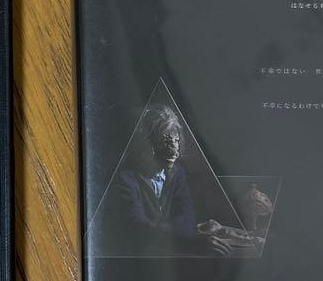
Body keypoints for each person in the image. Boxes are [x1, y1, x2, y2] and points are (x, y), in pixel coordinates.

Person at [108, 105, 265, 257]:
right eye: (165, 141)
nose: (174, 150)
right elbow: (138, 227)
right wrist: (192, 242)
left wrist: (183, 235)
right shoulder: (125, 178)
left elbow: (186, 214)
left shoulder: (176, 172)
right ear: (146, 143)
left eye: (176, 140)